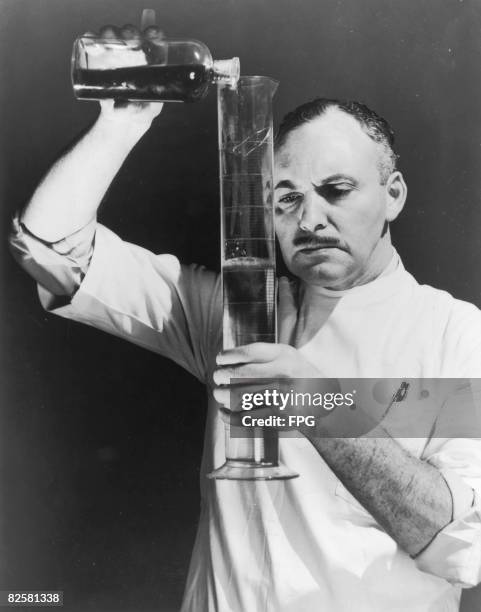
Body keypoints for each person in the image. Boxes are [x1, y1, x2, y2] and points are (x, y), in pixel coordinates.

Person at [9, 26, 481, 612]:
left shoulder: (457, 334)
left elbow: (464, 546)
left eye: (337, 190)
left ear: (393, 195)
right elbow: (48, 248)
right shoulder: (235, 315)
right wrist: (122, 122)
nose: (310, 220)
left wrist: (318, 402)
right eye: (286, 198)